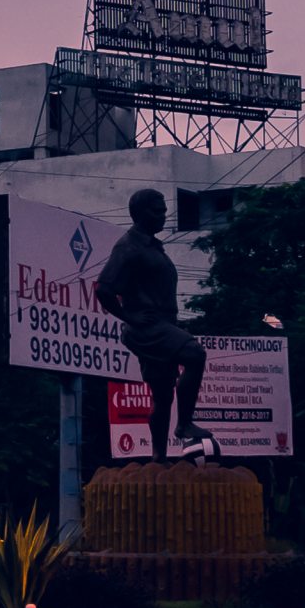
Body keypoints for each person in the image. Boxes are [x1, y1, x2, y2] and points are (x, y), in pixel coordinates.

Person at [93, 189, 214, 460]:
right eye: (156, 211)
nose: (163, 215)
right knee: (195, 354)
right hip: (148, 327)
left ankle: (158, 456)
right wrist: (129, 317)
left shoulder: (152, 245)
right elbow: (104, 288)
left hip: (162, 325)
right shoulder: (129, 246)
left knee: (162, 395)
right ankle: (184, 423)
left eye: (163, 210)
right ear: (139, 213)